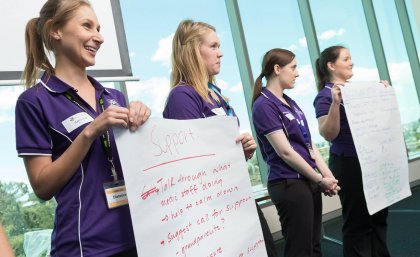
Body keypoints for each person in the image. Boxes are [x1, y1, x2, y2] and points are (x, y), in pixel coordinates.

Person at [16, 1, 150, 256]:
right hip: (85, 246)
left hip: (138, 238)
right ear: (55, 30)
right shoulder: (33, 101)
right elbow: (42, 187)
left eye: (98, 28)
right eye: (87, 26)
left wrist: (144, 124)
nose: (99, 37)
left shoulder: (114, 97)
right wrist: (90, 132)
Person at [163, 19, 278, 257]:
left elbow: (218, 154)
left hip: (236, 194)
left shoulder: (215, 94)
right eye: (213, 46)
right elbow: (193, 165)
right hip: (214, 210)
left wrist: (242, 152)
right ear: (194, 51)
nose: (221, 53)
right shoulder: (183, 96)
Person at [251, 48, 340, 257]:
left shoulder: (291, 103)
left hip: (308, 180)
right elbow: (285, 152)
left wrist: (328, 175)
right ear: (277, 69)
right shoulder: (263, 105)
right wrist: (319, 179)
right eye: (293, 67)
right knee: (300, 250)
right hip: (288, 183)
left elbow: (309, 147)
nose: (297, 73)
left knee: (314, 244)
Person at [313, 45, 391, 257]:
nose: (351, 62)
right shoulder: (325, 96)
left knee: (378, 217)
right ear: (331, 65)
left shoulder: (359, 92)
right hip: (349, 163)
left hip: (371, 160)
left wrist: (382, 94)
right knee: (358, 223)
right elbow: (328, 134)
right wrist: (336, 104)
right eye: (346, 59)